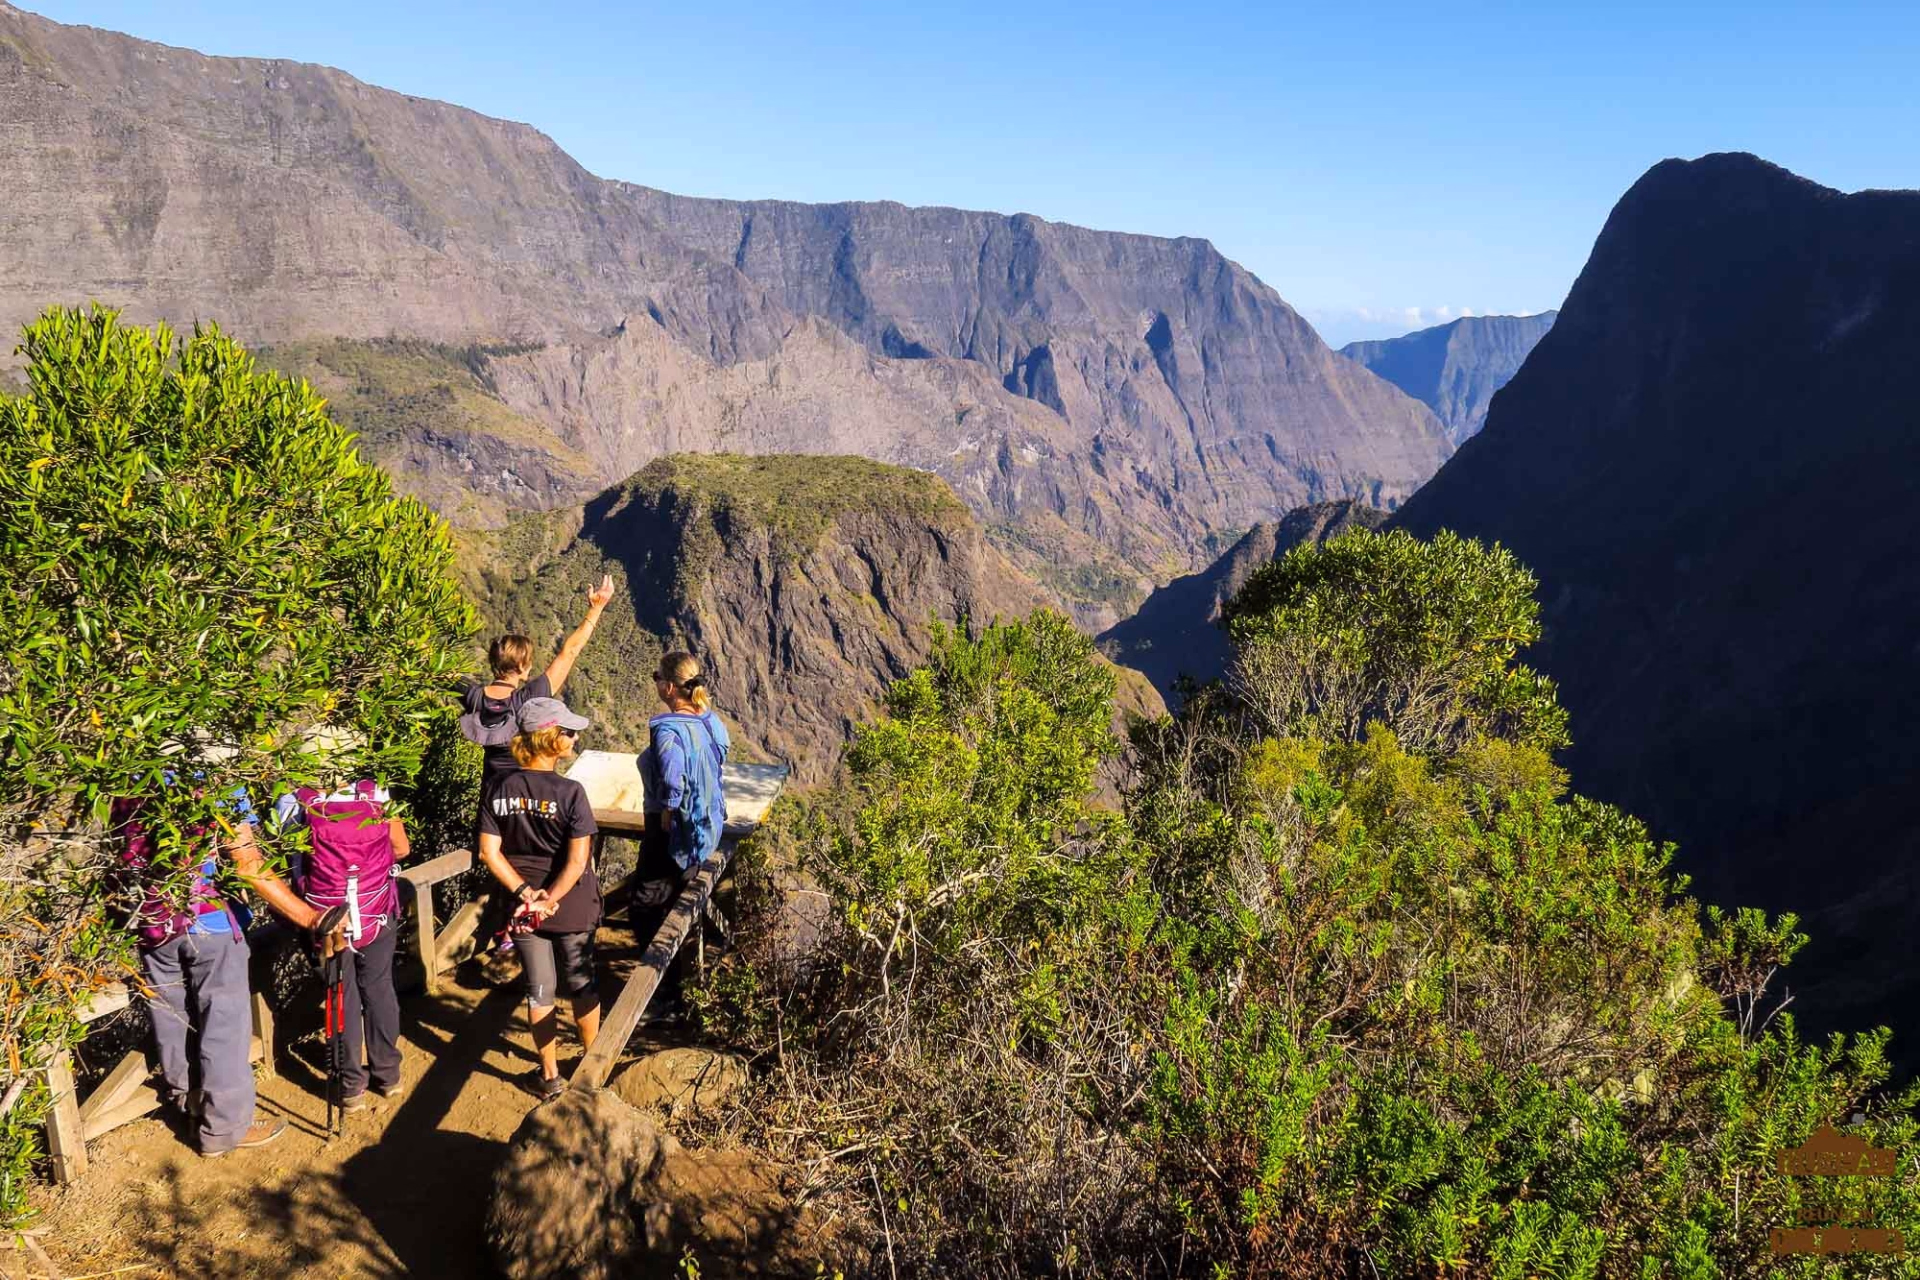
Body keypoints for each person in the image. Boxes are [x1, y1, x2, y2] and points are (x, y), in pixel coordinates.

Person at [114, 783, 342, 1157]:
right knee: (224, 1025)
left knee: (172, 1020)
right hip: (209, 924)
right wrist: (310, 917)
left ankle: (188, 1106)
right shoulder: (216, 778)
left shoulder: (129, 772)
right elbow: (248, 864)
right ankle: (223, 1130)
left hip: (153, 924)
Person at [476, 697, 602, 1100]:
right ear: (548, 739)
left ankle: (549, 1076)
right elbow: (578, 861)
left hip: (524, 908)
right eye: (567, 732)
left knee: (540, 988)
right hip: (572, 905)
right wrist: (551, 899)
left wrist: (526, 895)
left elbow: (488, 853)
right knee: (581, 984)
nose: (574, 737)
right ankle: (593, 1065)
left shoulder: (499, 788)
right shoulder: (571, 793)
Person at [272, 776, 411, 1110]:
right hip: (376, 910)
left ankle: (350, 1086)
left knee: (339, 995)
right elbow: (402, 848)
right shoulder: (374, 791)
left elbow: (287, 860)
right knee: (378, 986)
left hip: (325, 920)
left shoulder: (292, 800)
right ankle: (388, 1075)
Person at [633, 652, 731, 1020]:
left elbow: (673, 779)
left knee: (646, 909)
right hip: (705, 830)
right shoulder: (709, 720)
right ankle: (688, 985)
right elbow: (721, 752)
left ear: (669, 687)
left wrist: (668, 812)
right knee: (676, 904)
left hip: (672, 833)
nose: (655, 680)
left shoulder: (667, 729)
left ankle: (665, 997)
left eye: (656, 676)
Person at [459, 575, 616, 794]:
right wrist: (596, 609)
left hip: (490, 797)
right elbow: (569, 652)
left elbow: (441, 674)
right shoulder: (528, 699)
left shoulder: (474, 697)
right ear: (523, 666)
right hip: (525, 797)